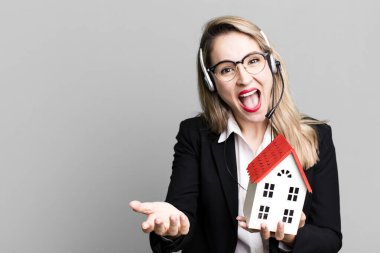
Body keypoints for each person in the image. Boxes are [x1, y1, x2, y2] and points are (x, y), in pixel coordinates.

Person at [130, 16, 342, 253]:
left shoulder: (315, 136)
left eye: (253, 61)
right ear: (212, 82)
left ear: (272, 65)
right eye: (227, 69)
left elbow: (330, 238)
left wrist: (291, 237)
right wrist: (173, 227)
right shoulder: (195, 136)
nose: (244, 78)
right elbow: (180, 216)